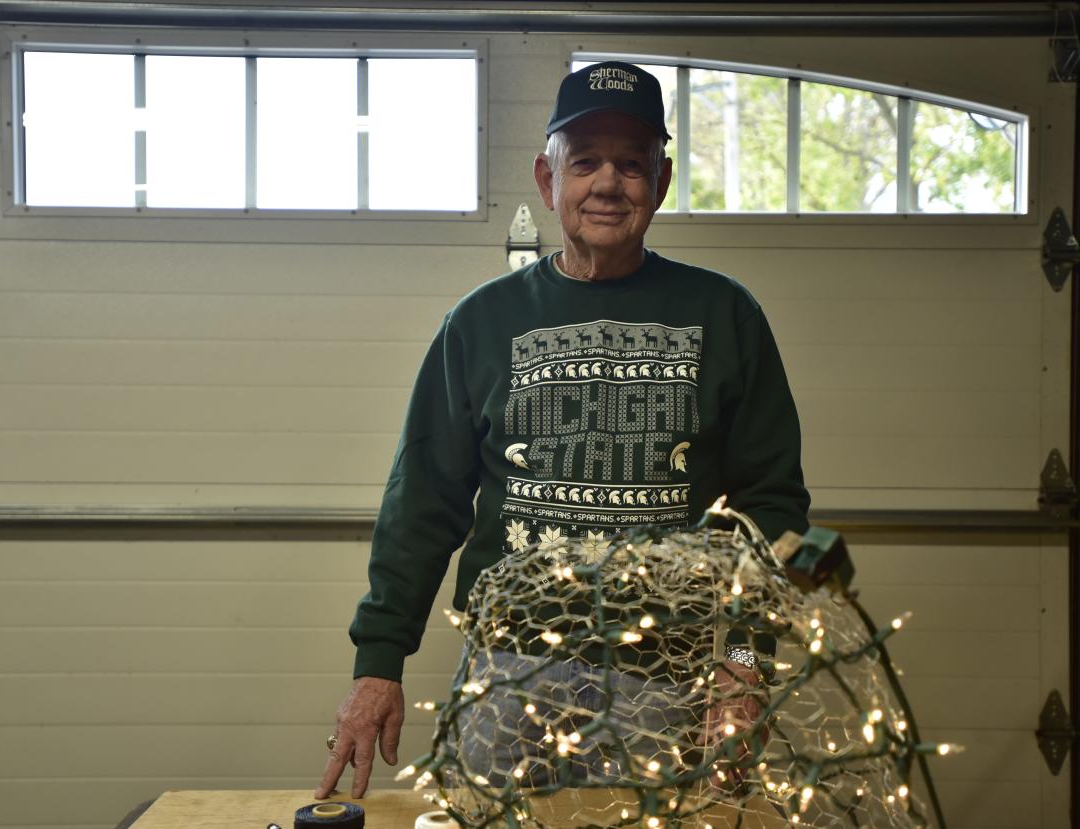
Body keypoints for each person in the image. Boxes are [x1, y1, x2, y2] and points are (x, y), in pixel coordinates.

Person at [314, 61, 809, 799]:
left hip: (671, 688)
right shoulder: (480, 323)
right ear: (549, 182)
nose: (608, 183)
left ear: (661, 182)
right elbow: (422, 502)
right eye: (584, 162)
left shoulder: (725, 316)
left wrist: (742, 662)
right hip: (505, 679)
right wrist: (378, 664)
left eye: (631, 164)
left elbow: (770, 511)